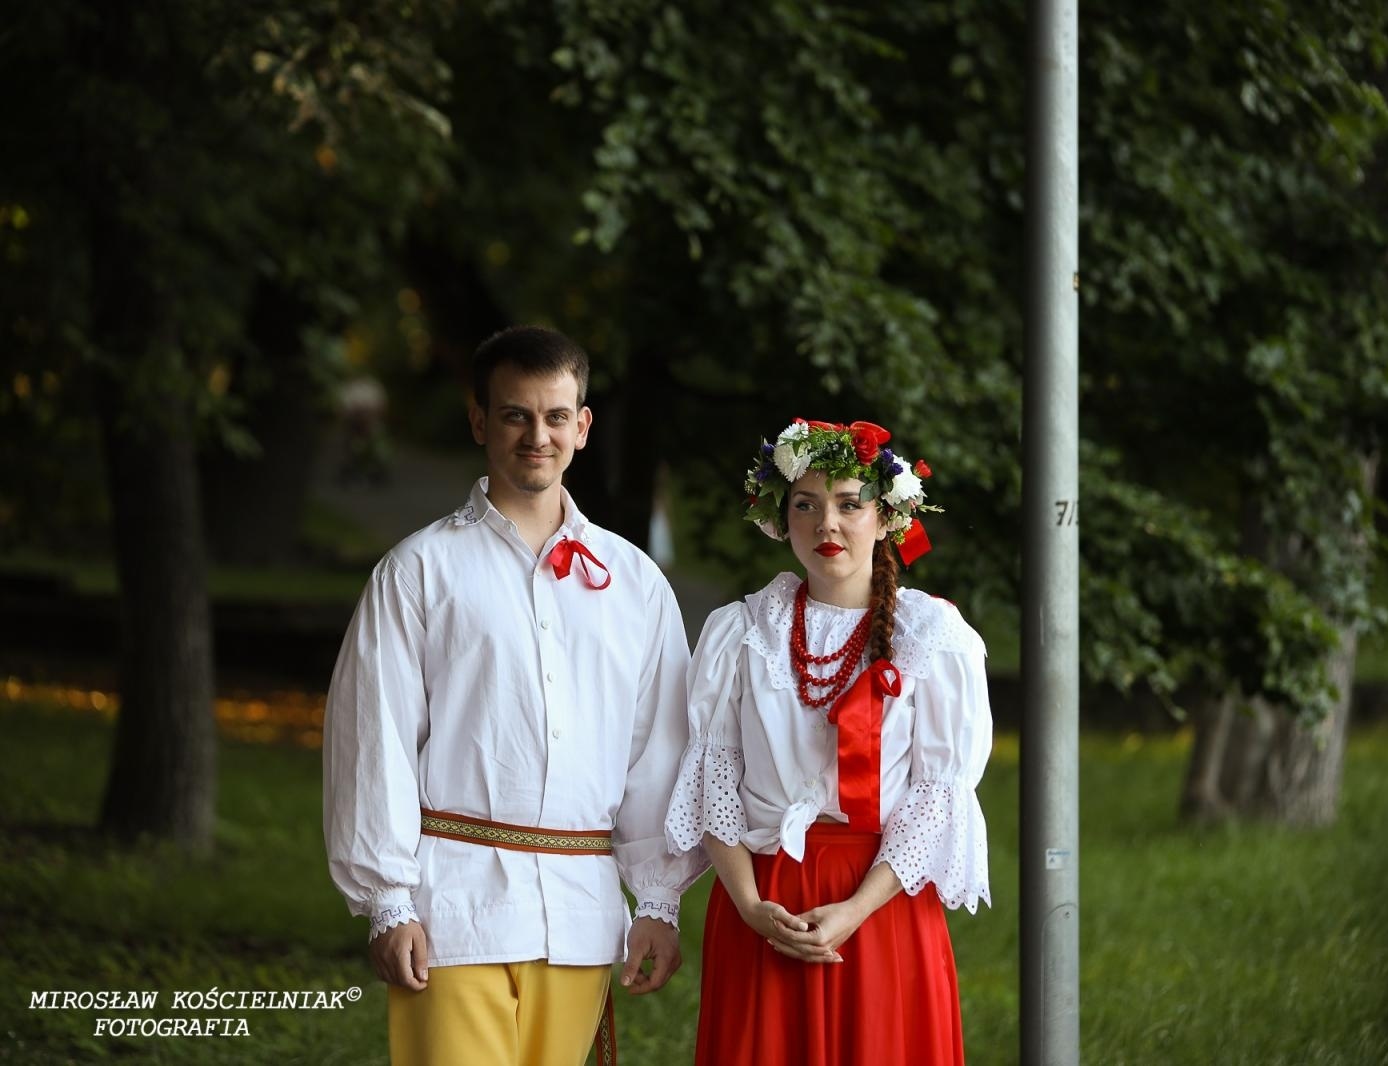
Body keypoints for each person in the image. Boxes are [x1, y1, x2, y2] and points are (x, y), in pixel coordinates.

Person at [323, 325, 704, 1066]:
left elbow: (659, 748)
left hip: (581, 914)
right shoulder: (420, 571)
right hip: (451, 910)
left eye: (556, 416)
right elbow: (375, 739)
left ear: (583, 426)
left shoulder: (633, 584)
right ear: (479, 421)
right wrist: (387, 902)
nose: (538, 435)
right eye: (514, 415)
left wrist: (657, 900)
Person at [665, 418, 992, 1064]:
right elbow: (715, 780)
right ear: (781, 519)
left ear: (887, 518)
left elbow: (936, 796)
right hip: (763, 906)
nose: (826, 525)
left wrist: (853, 911)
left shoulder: (932, 637)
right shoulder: (740, 632)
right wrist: (752, 904)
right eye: (806, 506)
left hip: (878, 903)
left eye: (849, 504)